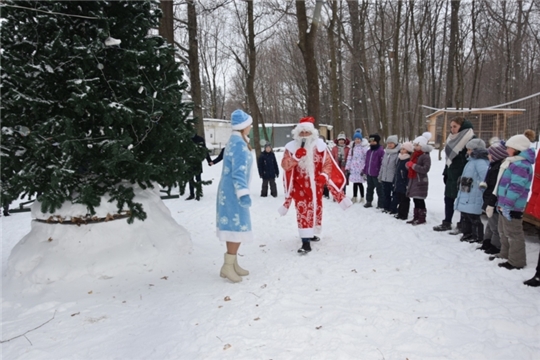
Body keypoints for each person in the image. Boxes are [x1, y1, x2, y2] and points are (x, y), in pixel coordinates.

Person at [279, 116, 352, 254]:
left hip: (316, 186)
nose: (305, 135)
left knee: (316, 209)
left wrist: (324, 175)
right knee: (303, 210)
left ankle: (311, 232)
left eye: (307, 132)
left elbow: (328, 164)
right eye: (302, 132)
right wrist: (295, 158)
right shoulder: (291, 147)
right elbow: (285, 165)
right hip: (299, 185)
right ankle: (305, 241)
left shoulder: (320, 146)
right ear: (297, 134)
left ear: (312, 133)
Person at [489, 130, 536, 270]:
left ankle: (516, 261)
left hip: (513, 206)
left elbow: (516, 187)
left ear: (516, 149)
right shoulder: (512, 162)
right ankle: (505, 254)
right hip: (504, 204)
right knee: (503, 231)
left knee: (514, 233)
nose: (506, 150)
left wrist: (507, 204)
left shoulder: (521, 165)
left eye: (509, 147)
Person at [216, 109, 254, 283]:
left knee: (233, 228)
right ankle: (227, 265)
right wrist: (243, 194)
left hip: (230, 190)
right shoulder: (238, 144)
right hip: (234, 192)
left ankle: (232, 264)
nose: (251, 127)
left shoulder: (236, 140)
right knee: (236, 229)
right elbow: (238, 172)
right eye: (249, 124)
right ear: (243, 126)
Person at [433, 117, 475, 232]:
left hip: (464, 175)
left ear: (462, 127)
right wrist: (445, 173)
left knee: (462, 200)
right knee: (448, 199)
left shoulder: (470, 139)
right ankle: (447, 221)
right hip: (451, 174)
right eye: (451, 126)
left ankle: (462, 224)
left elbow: (471, 159)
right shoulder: (451, 139)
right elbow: (448, 159)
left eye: (455, 126)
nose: (452, 129)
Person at [454, 139, 489, 243]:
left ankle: (477, 236)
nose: (467, 151)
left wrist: (474, 184)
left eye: (469, 149)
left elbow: (484, 177)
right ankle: (467, 233)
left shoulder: (480, 162)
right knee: (465, 215)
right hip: (467, 192)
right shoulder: (471, 161)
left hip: (474, 193)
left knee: (473, 217)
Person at [477, 140, 508, 254]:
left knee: (494, 225)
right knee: (490, 223)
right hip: (488, 198)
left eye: (490, 154)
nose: (488, 156)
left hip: (493, 200)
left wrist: (491, 199)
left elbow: (495, 186)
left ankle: (495, 246)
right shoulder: (492, 166)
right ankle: (487, 242)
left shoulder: (498, 168)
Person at [405, 132, 432, 225]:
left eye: (417, 145)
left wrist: (413, 166)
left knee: (420, 199)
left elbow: (425, 169)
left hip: (420, 181)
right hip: (413, 180)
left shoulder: (425, 156)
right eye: (415, 145)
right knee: (415, 199)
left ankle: (421, 217)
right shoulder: (415, 154)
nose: (415, 147)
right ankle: (415, 217)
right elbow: (411, 164)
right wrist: (408, 165)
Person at [378, 135, 401, 214]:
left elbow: (397, 167)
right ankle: (386, 207)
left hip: (393, 178)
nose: (390, 145)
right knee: (386, 193)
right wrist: (380, 175)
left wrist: (396, 178)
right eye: (388, 143)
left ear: (395, 144)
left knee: (394, 195)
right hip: (385, 177)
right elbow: (382, 166)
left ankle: (393, 208)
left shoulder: (398, 154)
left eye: (392, 143)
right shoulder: (386, 153)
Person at [187, 133, 212, 200]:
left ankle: (198, 193)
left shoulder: (200, 139)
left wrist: (209, 161)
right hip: (189, 162)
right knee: (190, 179)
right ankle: (191, 194)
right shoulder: (187, 139)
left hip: (197, 162)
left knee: (198, 178)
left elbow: (205, 151)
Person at [345, 129, 367, 203]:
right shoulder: (352, 148)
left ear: (361, 139)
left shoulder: (363, 147)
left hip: (360, 168)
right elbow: (349, 157)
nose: (357, 140)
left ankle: (362, 197)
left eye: (358, 139)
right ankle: (354, 196)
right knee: (355, 183)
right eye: (356, 139)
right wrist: (348, 167)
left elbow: (366, 157)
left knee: (360, 183)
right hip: (353, 168)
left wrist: (364, 168)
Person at [363, 133, 385, 209]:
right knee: (369, 188)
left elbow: (382, 163)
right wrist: (365, 170)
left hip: (377, 174)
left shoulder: (380, 151)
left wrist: (380, 173)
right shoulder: (369, 151)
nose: (372, 143)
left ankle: (381, 203)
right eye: (370, 141)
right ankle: (369, 201)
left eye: (373, 141)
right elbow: (366, 162)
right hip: (369, 174)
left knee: (379, 189)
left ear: (377, 141)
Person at [394, 141, 413, 220]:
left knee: (405, 199)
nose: (402, 151)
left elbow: (408, 173)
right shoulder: (400, 158)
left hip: (404, 182)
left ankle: (404, 214)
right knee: (400, 198)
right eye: (401, 149)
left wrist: (407, 183)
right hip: (398, 181)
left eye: (404, 149)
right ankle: (400, 212)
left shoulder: (408, 160)